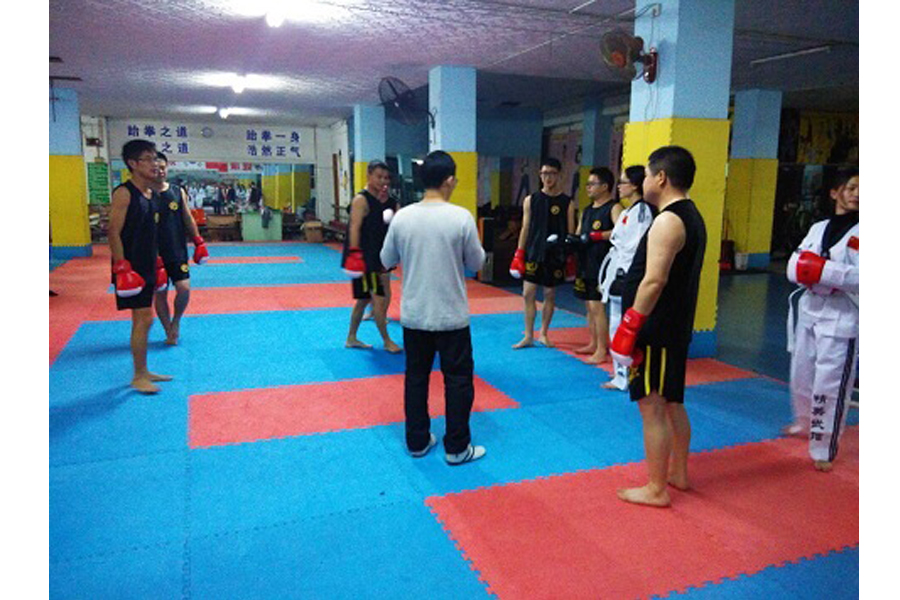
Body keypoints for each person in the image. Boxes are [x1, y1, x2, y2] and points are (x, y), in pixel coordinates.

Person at [611, 146, 707, 507]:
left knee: (651, 406)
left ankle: (656, 488)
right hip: (674, 327)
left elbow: (654, 280)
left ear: (662, 178)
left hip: (657, 330)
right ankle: (678, 473)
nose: (645, 181)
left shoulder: (668, 220)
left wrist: (630, 325)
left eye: (649, 175)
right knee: (672, 403)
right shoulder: (691, 215)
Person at [380, 150, 487, 465]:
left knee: (416, 378)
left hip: (415, 315)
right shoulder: (461, 217)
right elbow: (477, 262)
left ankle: (417, 441)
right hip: (451, 316)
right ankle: (457, 448)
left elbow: (385, 260)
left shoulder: (402, 217)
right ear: (449, 180)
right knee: (458, 381)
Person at [784, 168, 858, 472]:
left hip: (842, 315)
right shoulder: (818, 228)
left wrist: (823, 271)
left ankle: (824, 446)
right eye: (852, 188)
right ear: (835, 192)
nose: (857, 194)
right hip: (810, 307)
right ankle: (805, 423)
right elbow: (794, 264)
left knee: (830, 383)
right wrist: (808, 269)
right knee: (801, 375)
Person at [107, 140, 172, 394]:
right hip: (130, 266)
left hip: (147, 264)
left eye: (155, 158)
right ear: (133, 164)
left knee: (144, 320)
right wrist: (122, 267)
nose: (154, 164)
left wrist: (157, 260)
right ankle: (138, 375)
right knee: (144, 318)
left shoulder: (151, 194)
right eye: (148, 159)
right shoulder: (125, 193)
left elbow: (150, 232)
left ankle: (143, 371)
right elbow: (113, 231)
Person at [599, 165, 656, 390]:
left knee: (625, 326)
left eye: (623, 182)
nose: (619, 187)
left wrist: (626, 275)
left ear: (634, 185)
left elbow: (635, 248)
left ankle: (627, 376)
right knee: (616, 325)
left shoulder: (642, 211)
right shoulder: (627, 212)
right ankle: (620, 374)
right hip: (619, 273)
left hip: (630, 275)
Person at [509, 157, 576, 348]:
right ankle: (528, 335)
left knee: (549, 294)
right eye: (545, 173)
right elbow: (525, 227)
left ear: (559, 175)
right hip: (533, 251)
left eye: (552, 173)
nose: (548, 177)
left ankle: (544, 333)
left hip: (555, 254)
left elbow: (571, 231)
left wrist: (570, 255)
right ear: (540, 175)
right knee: (527, 293)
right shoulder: (531, 200)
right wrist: (519, 252)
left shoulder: (567, 202)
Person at [341, 160, 401, 353]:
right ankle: (387, 341)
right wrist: (355, 254)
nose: (383, 181)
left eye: (386, 178)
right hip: (365, 258)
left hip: (376, 255)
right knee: (378, 299)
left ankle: (351, 338)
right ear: (369, 176)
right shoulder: (361, 199)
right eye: (379, 177)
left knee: (364, 299)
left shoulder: (383, 201)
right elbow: (354, 227)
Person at [152, 152, 209, 345]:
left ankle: (176, 321)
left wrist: (198, 241)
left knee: (183, 288)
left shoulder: (177, 191)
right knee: (160, 292)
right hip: (153, 252)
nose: (160, 171)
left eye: (163, 167)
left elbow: (187, 217)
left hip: (176, 248)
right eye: (156, 168)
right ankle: (168, 328)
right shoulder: (144, 193)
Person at [572, 167, 623, 364]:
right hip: (585, 261)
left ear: (605, 186)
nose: (588, 188)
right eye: (587, 184)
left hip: (602, 265)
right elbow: (579, 233)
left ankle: (602, 349)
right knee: (588, 305)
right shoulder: (586, 210)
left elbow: (621, 232)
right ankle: (593, 343)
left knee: (597, 307)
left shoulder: (614, 208)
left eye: (592, 184)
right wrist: (571, 242)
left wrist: (598, 235)